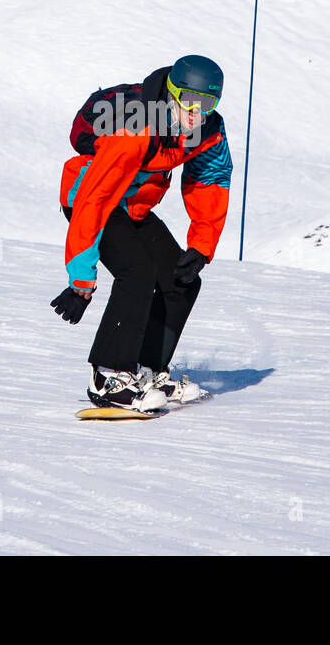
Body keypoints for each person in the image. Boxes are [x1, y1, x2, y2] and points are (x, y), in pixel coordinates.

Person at [51, 55, 233, 411]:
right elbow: (95, 199)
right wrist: (80, 283)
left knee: (181, 279)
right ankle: (108, 377)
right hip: (90, 200)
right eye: (190, 102)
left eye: (208, 104)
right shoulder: (137, 127)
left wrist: (201, 245)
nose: (198, 113)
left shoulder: (207, 130)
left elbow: (210, 179)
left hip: (132, 206)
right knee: (137, 272)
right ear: (171, 93)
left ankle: (148, 371)